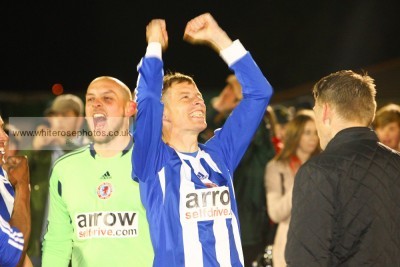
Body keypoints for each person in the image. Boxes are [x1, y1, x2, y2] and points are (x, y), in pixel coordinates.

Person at [133, 13, 273, 267]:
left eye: (198, 95)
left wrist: (218, 38)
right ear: (163, 115)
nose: (198, 100)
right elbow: (147, 102)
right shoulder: (153, 160)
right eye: (185, 97)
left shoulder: (220, 154)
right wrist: (154, 46)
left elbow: (259, 92)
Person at [285, 70, 400, 266]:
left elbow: (305, 258)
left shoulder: (317, 171)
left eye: (316, 112)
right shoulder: (396, 163)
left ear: (326, 111)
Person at [42, 77, 154, 266]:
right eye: (91, 99)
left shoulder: (154, 162)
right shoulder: (64, 169)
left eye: (107, 98)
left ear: (130, 108)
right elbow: (57, 243)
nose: (96, 104)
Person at [201, 74, 276, 266]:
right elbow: (204, 139)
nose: (227, 95)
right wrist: (217, 110)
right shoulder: (222, 127)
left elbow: (247, 126)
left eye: (233, 93)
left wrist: (241, 97)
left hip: (250, 223)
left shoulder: (260, 122)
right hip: (226, 219)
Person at [25, 93, 88, 265]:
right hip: (38, 244)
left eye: (66, 116)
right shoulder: (43, 147)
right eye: (55, 116)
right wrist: (34, 149)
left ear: (79, 119)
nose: (59, 121)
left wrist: (64, 143)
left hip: (74, 249)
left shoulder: (90, 148)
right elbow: (15, 174)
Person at [264, 111, 319, 267]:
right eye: (307, 132)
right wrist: (301, 180)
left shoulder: (323, 166)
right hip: (287, 243)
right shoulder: (276, 167)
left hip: (319, 242)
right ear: (296, 134)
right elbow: (275, 213)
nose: (313, 137)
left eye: (316, 132)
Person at [0, 115, 32, 267]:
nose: (4, 138)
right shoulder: (18, 178)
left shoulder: (6, 175)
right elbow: (12, 254)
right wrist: (22, 187)